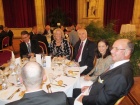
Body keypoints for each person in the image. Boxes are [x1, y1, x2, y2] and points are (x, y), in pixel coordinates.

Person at [76, 39, 134, 105]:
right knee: (73, 90)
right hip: (93, 91)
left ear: (127, 52)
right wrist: (90, 87)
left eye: (116, 49)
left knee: (66, 99)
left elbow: (103, 101)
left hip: (93, 100)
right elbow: (103, 80)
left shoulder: (120, 76)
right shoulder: (118, 65)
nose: (111, 51)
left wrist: (83, 99)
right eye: (112, 48)